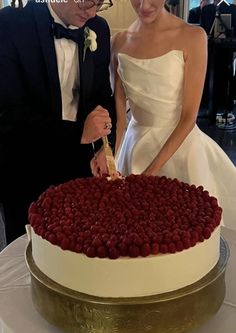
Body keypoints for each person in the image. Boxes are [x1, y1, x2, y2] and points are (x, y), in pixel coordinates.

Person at [110, 0, 236, 230]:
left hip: (182, 150)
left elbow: (189, 116)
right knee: (134, 231)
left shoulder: (192, 36)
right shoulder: (118, 42)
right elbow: (120, 120)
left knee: (185, 235)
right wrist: (113, 160)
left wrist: (151, 172)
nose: (144, 5)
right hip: (133, 148)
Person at [0, 0, 116, 244]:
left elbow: (102, 97)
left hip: (79, 168)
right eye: (86, 2)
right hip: (25, 166)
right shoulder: (10, 24)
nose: (92, 12)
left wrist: (105, 148)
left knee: (77, 255)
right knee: (26, 256)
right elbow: (9, 114)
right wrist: (78, 134)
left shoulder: (99, 29)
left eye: (100, 3)